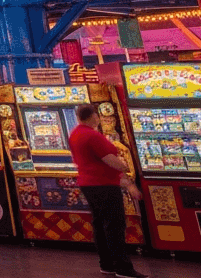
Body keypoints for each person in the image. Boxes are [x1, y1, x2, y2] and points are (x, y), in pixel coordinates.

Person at [70, 104, 145, 278]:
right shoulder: (92, 135)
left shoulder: (75, 134)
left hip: (88, 183)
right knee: (114, 226)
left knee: (100, 225)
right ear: (94, 116)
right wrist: (124, 166)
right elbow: (110, 160)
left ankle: (107, 264)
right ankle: (123, 268)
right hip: (103, 184)